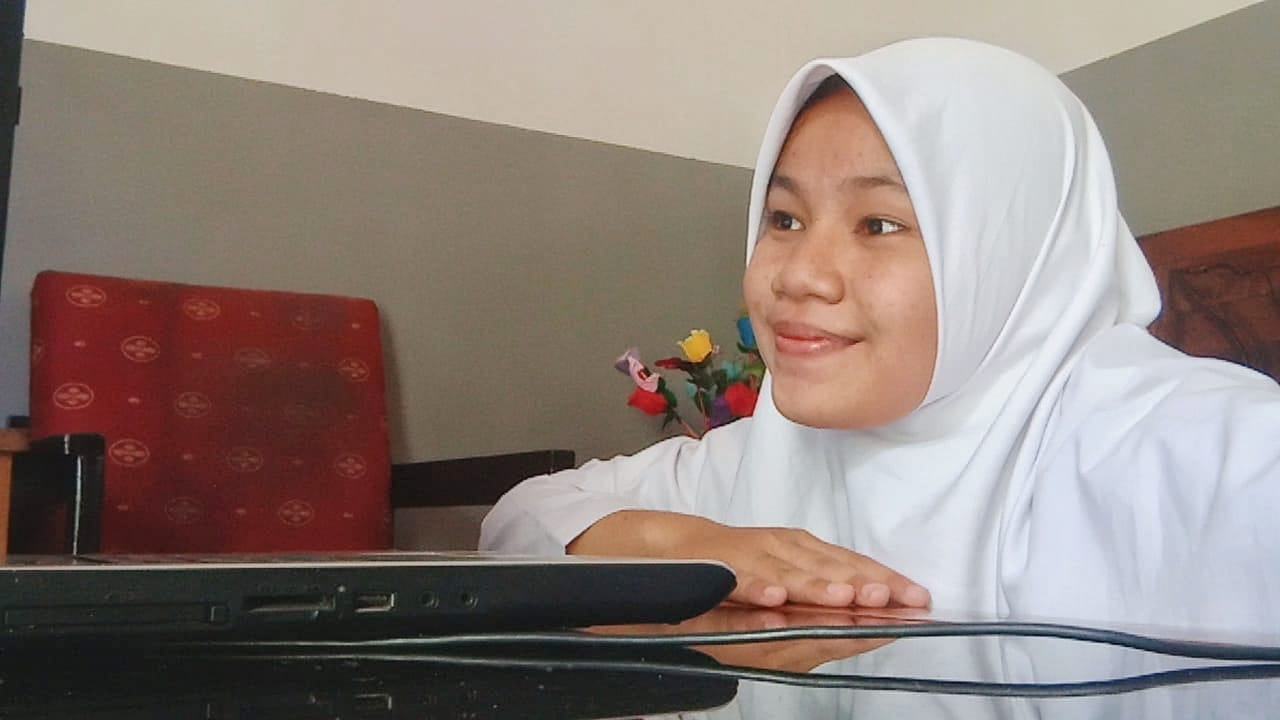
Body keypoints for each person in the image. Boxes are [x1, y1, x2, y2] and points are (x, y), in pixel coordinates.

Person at [480, 37, 1280, 630]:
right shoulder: (767, 453)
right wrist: (685, 543)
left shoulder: (1201, 454)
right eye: (784, 218)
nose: (799, 275)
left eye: (879, 224)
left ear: (1009, 255)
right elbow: (519, 518)